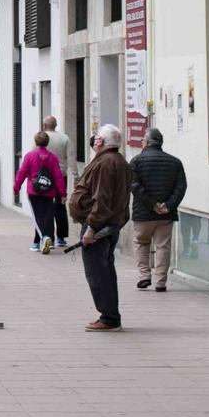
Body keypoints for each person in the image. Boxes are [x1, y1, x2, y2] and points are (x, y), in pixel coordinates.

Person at [67, 124, 132, 331]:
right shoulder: (118, 161)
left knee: (98, 272)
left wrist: (91, 229)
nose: (93, 141)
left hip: (100, 225)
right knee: (105, 270)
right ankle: (109, 314)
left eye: (96, 138)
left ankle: (109, 317)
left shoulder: (106, 163)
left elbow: (102, 199)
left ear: (101, 141)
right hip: (109, 223)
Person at [130, 127, 187, 291]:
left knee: (141, 243)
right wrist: (168, 205)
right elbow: (181, 187)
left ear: (147, 142)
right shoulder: (175, 162)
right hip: (166, 215)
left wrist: (152, 204)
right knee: (163, 245)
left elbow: (134, 186)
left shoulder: (136, 161)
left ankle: (144, 275)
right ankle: (161, 281)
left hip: (143, 214)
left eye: (142, 140)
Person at [13, 130, 67, 253]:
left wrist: (16, 188)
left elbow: (21, 173)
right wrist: (63, 193)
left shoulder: (29, 156)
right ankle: (40, 242)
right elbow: (58, 176)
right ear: (47, 142)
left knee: (37, 216)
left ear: (35, 141)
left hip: (34, 191)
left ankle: (44, 237)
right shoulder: (53, 157)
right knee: (48, 215)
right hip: (49, 191)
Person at [43, 113, 72, 182]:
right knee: (60, 192)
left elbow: (33, 156)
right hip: (61, 174)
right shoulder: (65, 138)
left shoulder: (39, 138)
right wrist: (76, 176)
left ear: (44, 125)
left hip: (43, 176)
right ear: (55, 125)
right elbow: (71, 158)